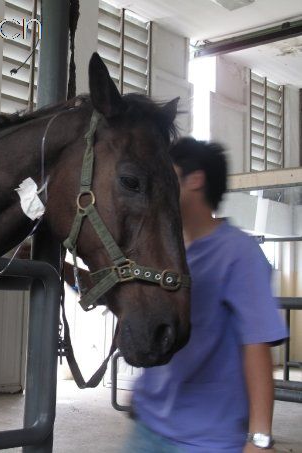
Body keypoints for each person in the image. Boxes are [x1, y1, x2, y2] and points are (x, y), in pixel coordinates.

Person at [123, 137, 288, 452]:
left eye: (167, 173)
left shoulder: (239, 252)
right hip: (149, 425)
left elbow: (257, 347)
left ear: (194, 179)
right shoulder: (165, 253)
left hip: (205, 439)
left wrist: (259, 438)